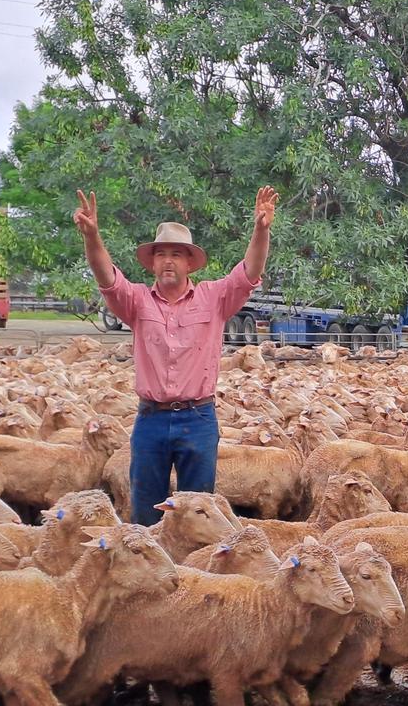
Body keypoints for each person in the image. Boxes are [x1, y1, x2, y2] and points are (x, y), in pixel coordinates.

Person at [72, 187, 278, 525]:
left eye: (177, 254)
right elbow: (106, 277)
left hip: (198, 418)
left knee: (197, 513)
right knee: (144, 512)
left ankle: (192, 575)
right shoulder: (136, 301)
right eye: (162, 253)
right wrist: (92, 236)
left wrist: (261, 229)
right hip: (150, 419)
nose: (168, 260)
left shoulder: (214, 298)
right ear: (152, 262)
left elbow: (249, 273)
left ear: (189, 263)